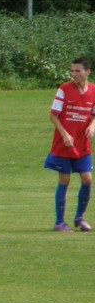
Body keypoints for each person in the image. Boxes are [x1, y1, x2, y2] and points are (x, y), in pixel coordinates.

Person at [46, 56, 95, 232]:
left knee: (87, 179)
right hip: (64, 144)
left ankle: (79, 218)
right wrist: (65, 134)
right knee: (64, 180)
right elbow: (53, 115)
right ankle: (59, 222)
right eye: (72, 71)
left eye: (77, 71)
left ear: (87, 72)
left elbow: (93, 114)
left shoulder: (93, 91)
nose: (74, 74)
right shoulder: (64, 90)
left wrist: (92, 125)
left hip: (83, 144)